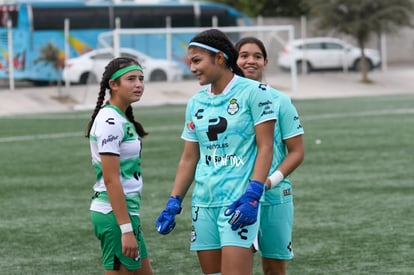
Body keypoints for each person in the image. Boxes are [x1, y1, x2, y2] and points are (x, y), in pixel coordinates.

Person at [155, 28, 277, 275]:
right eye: (191, 62)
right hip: (203, 203)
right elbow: (189, 158)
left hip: (238, 202)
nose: (192, 68)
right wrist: (173, 201)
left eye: (197, 61)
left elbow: (266, 146)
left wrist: (253, 194)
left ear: (220, 58)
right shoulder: (195, 102)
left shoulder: (255, 93)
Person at [235, 37, 305, 275]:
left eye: (257, 56)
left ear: (266, 61)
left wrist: (269, 181)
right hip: (234, 196)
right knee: (236, 266)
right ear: (233, 61)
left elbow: (297, 152)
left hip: (274, 196)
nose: (250, 61)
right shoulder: (223, 102)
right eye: (244, 55)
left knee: (274, 268)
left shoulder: (281, 101)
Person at [85, 57, 153, 275]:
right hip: (114, 215)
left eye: (141, 79)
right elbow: (111, 179)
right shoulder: (109, 121)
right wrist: (125, 229)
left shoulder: (120, 118)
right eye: (131, 79)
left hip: (125, 213)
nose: (139, 84)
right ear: (113, 85)